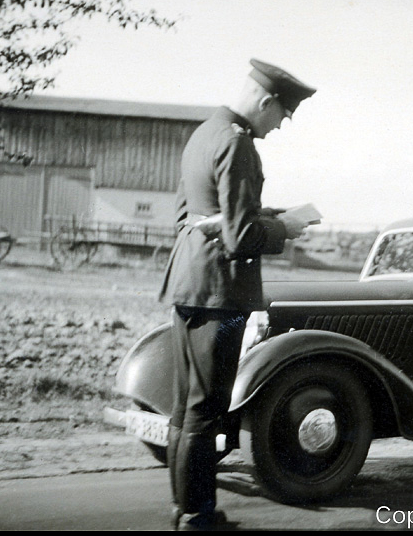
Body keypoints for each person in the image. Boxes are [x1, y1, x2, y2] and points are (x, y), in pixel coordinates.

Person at [158, 58, 316, 530]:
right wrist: (283, 228)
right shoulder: (239, 143)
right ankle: (198, 517)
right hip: (221, 295)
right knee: (207, 409)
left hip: (188, 285)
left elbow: (191, 216)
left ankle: (181, 505)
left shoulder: (205, 132)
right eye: (282, 115)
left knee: (186, 405)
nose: (280, 125)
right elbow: (241, 237)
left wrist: (262, 215)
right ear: (266, 102)